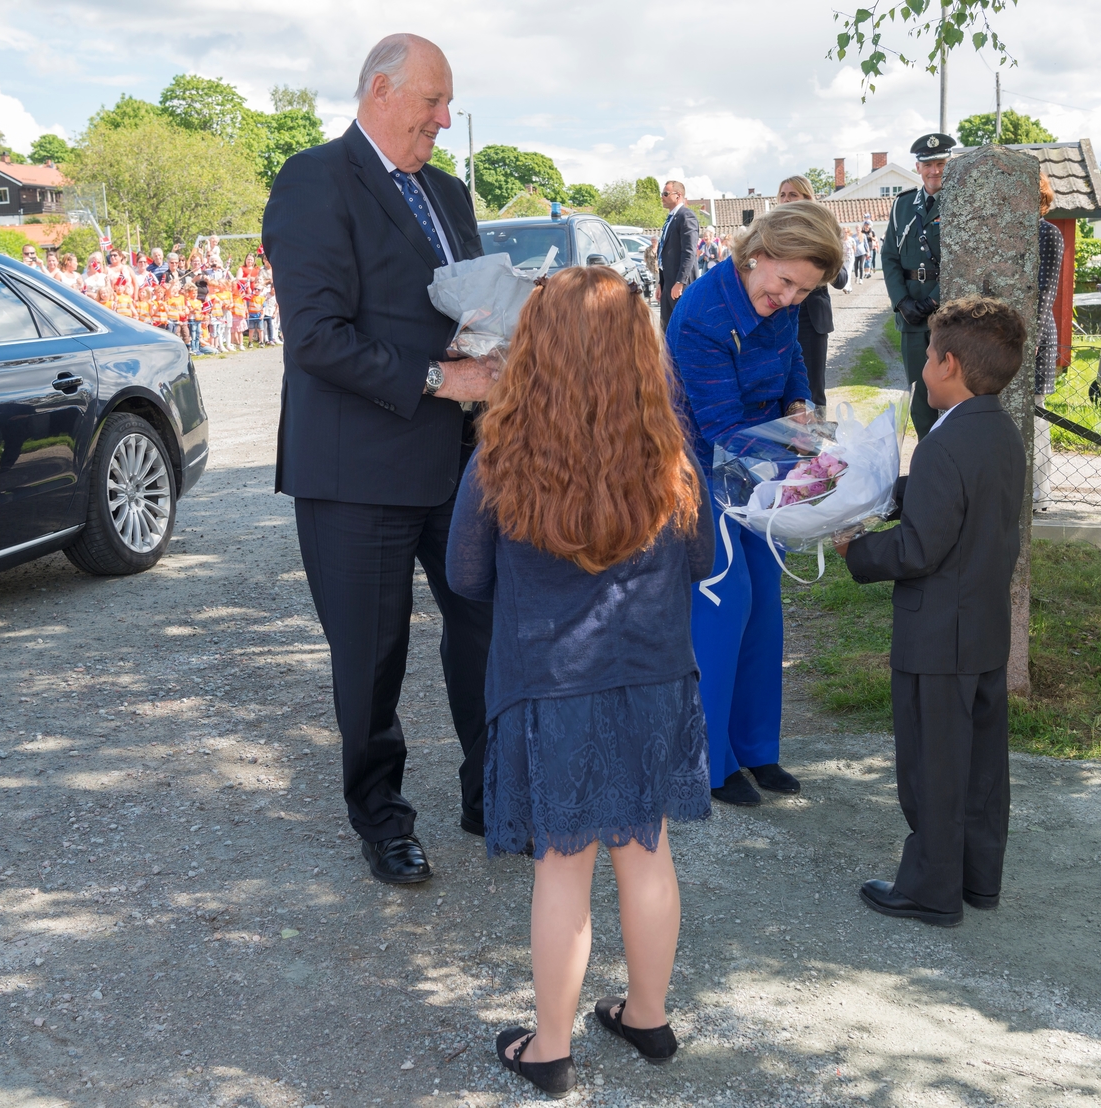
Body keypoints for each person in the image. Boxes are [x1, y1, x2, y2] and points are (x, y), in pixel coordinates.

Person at [447, 265, 713, 1099]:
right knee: (646, 849)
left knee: (563, 865)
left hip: (550, 679)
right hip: (651, 673)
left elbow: (465, 575)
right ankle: (649, 1015)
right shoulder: (671, 448)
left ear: (534, 345)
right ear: (641, 349)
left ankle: (551, 1049)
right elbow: (701, 560)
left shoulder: (503, 448)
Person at [262, 33, 498, 885]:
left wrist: (508, 339)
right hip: (355, 472)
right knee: (371, 657)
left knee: (487, 624)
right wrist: (443, 375)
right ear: (380, 91)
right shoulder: (314, 180)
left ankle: (493, 792)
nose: (444, 117)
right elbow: (317, 339)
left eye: (446, 103)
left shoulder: (448, 190)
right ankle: (383, 817)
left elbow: (465, 303)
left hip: (456, 459)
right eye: (433, 101)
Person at [836, 297, 1026, 927]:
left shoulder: (943, 445)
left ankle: (930, 889)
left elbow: (920, 547)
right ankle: (978, 878)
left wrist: (856, 548)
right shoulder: (998, 430)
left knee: (931, 766)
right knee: (979, 766)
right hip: (981, 628)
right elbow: (958, 507)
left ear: (948, 364)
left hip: (936, 635)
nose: (918, 369)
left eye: (925, 358)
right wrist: (886, 494)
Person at [667, 202, 843, 807]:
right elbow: (718, 425)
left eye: (804, 289)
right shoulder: (703, 314)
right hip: (699, 469)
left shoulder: (781, 303)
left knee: (765, 602)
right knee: (725, 602)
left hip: (761, 464)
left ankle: (756, 749)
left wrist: (799, 403)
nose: (789, 298)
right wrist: (802, 451)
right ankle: (709, 763)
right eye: (784, 281)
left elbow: (793, 359)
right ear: (757, 253)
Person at [883, 132, 954, 439]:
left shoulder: (960, 204)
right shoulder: (902, 206)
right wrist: (902, 303)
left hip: (949, 313)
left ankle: (957, 452)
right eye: (928, 165)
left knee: (955, 387)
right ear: (918, 167)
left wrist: (934, 301)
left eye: (940, 163)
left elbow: (962, 258)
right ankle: (929, 452)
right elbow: (889, 257)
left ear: (949, 165)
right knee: (919, 392)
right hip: (912, 314)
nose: (934, 171)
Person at [777, 176, 849, 416]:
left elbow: (842, 279)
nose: (786, 200)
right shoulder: (772, 232)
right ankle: (787, 444)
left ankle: (817, 448)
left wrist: (818, 261)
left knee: (812, 387)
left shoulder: (825, 228)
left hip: (810, 318)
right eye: (783, 195)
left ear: (807, 198)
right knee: (780, 385)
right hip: (778, 315)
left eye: (793, 195)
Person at [1033, 172, 1064, 511]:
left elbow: (1046, 291)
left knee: (1037, 417)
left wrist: (1034, 339)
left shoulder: (1049, 234)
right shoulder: (1010, 234)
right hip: (1006, 339)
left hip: (1038, 336)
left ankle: (1040, 495)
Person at [657, 180, 699, 332]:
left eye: (666, 193)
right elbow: (664, 252)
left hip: (680, 283)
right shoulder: (671, 218)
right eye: (663, 193)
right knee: (667, 329)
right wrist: (661, 284)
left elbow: (689, 251)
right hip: (668, 283)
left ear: (678, 195)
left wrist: (680, 282)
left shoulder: (686, 216)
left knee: (683, 328)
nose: (662, 197)